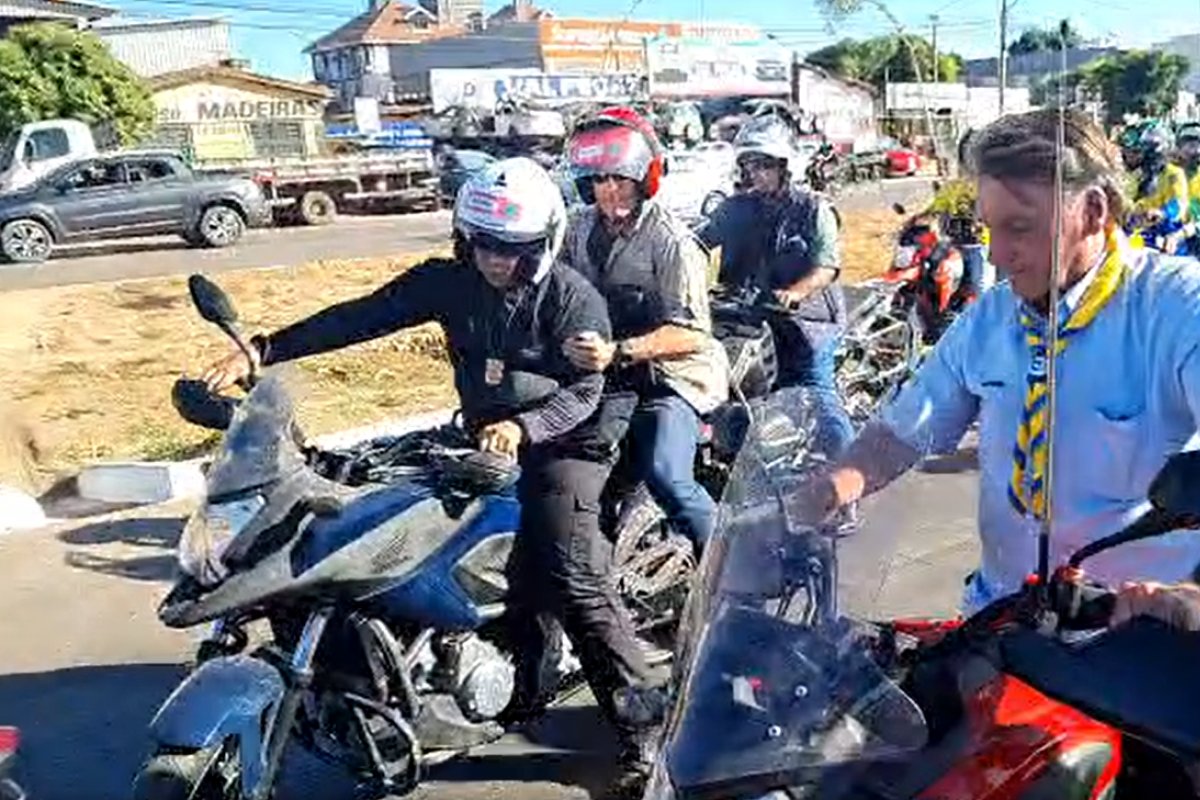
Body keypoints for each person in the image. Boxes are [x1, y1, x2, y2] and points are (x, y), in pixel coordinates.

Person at [200, 157, 658, 796]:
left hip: (569, 441)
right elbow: (362, 315)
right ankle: (432, 667)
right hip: (480, 433)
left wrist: (526, 428)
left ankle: (644, 732)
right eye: (484, 245)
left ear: (543, 243)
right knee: (377, 503)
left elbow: (586, 389)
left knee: (568, 570)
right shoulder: (450, 282)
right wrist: (264, 350)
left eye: (513, 249)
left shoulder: (571, 298)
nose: (496, 260)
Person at [794, 108, 1200, 615]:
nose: (998, 255)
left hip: (1126, 643)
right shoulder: (989, 318)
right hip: (1001, 618)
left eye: (1020, 228)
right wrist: (830, 488)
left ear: (1093, 211)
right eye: (990, 230)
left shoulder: (1179, 305)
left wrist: (1184, 603)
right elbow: (904, 429)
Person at [559, 106, 730, 553]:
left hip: (672, 377)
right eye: (599, 181)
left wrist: (618, 351)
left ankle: (732, 570)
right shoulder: (576, 228)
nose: (609, 190)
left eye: (619, 179)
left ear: (642, 180)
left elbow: (692, 332)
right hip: (605, 374)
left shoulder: (671, 240)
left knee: (666, 474)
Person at [698, 115, 854, 458]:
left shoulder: (813, 208)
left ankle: (846, 476)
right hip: (752, 321)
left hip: (807, 324)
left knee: (817, 394)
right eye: (750, 166)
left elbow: (826, 265)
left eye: (763, 165)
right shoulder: (737, 209)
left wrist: (796, 292)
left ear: (785, 166)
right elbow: (698, 243)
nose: (755, 174)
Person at [1119, 119, 1191, 254]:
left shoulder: (1173, 174)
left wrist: (1162, 213)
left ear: (1152, 152)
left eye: (1135, 152)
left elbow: (1179, 206)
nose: (1126, 156)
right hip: (1135, 242)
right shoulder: (1134, 178)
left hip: (1166, 244)